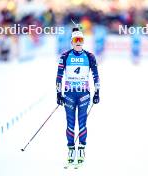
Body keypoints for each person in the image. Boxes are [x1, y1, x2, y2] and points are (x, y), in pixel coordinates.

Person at [56, 27, 100, 167]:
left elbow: (95, 76)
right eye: (76, 40)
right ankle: (70, 150)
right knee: (70, 123)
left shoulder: (90, 56)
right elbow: (59, 76)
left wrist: (97, 92)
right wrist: (58, 93)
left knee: (82, 123)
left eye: (81, 40)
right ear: (71, 41)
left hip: (83, 94)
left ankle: (81, 149)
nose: (79, 42)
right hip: (69, 94)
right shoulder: (64, 56)